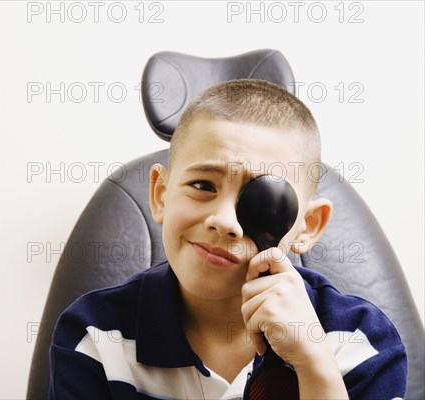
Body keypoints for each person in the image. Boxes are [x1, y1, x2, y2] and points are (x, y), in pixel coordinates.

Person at [48, 79, 407, 399]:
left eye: (260, 199)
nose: (223, 221)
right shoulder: (96, 339)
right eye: (203, 185)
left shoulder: (360, 343)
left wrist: (314, 366)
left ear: (308, 226)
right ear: (160, 195)